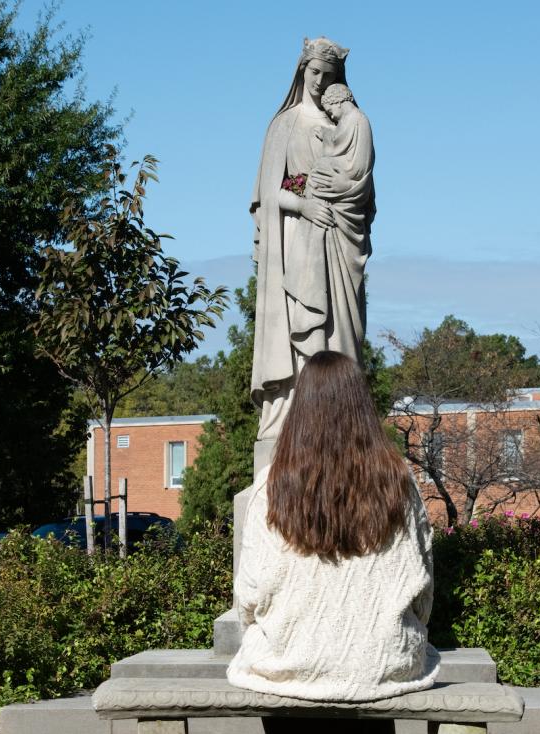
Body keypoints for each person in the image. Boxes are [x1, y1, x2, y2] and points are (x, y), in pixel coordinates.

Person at [227, 351, 440, 704]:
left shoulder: (271, 486)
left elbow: (249, 595)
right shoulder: (399, 481)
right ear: (362, 406)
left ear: (300, 410)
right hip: (385, 662)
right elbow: (423, 588)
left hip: (287, 662)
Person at [250, 38, 375, 444]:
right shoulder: (284, 124)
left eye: (329, 75)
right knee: (305, 328)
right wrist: (303, 207)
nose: (320, 82)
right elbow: (268, 195)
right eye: (314, 72)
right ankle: (301, 420)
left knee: (342, 338)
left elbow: (364, 192)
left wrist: (346, 193)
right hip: (298, 244)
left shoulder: (348, 124)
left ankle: (341, 420)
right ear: (302, 71)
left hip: (340, 241)